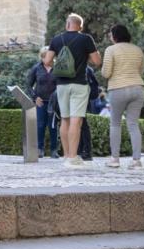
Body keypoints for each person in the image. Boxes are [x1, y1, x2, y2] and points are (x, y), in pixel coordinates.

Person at [43, 13, 101, 168]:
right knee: (76, 120)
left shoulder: (56, 39)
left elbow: (47, 61)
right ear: (80, 26)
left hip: (61, 84)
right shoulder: (86, 39)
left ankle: (67, 156)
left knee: (65, 119)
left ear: (67, 24)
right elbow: (97, 61)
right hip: (79, 84)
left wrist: (59, 63)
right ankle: (73, 157)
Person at [101, 24, 144, 169]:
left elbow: (106, 73)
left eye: (110, 34)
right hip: (137, 88)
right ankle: (137, 161)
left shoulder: (111, 50)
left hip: (118, 88)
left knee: (115, 124)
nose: (110, 37)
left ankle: (115, 159)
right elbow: (141, 71)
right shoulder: (137, 50)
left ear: (115, 36)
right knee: (133, 124)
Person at [26, 46, 59, 158]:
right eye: (45, 56)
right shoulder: (36, 68)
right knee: (40, 126)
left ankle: (54, 150)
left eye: (50, 56)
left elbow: (62, 85)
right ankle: (39, 149)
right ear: (42, 57)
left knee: (53, 126)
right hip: (41, 102)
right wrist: (35, 97)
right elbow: (28, 85)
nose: (48, 59)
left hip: (54, 103)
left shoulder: (58, 68)